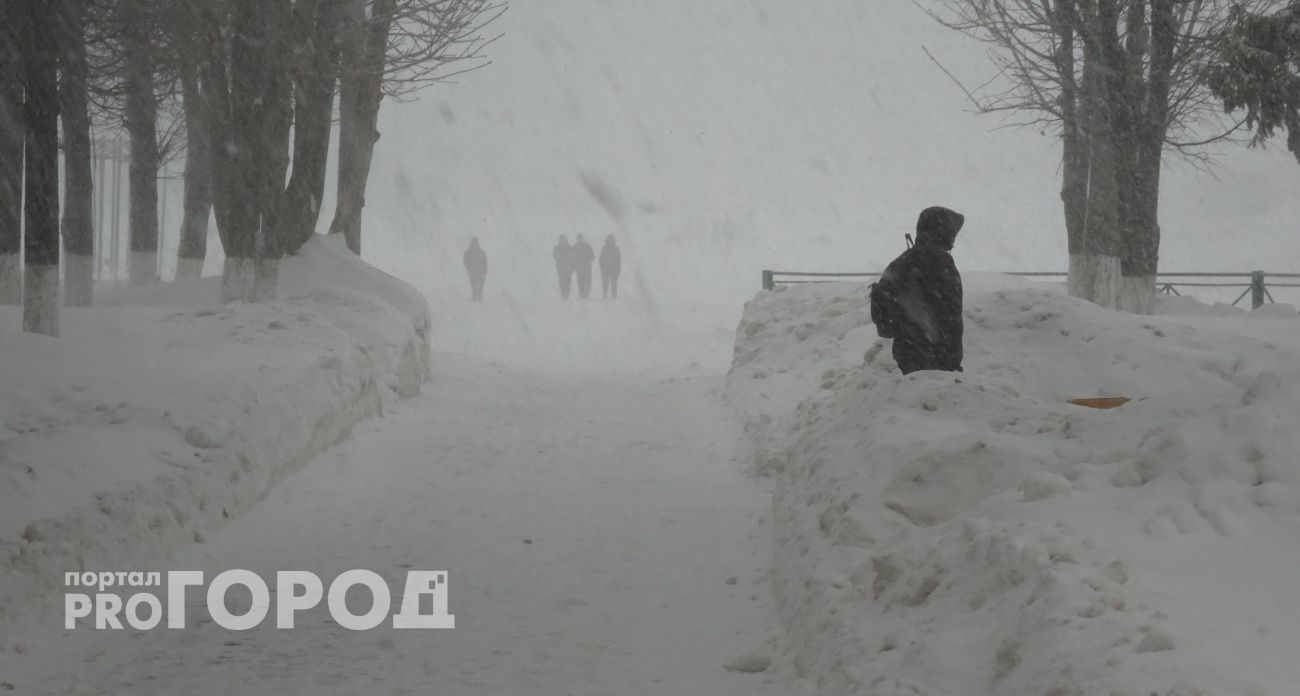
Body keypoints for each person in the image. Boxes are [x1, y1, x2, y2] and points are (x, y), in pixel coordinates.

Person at [869, 206, 965, 375]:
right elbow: (949, 315)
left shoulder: (902, 261)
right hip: (937, 358)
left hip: (907, 356)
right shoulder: (939, 262)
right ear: (943, 233)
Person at [572, 233, 596, 299]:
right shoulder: (575, 247)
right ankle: (581, 293)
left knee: (588, 280)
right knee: (580, 281)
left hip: (587, 267)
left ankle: (587, 293)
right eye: (578, 238)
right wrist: (574, 265)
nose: (580, 239)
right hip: (579, 268)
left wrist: (587, 260)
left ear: (583, 238)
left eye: (580, 238)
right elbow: (572, 257)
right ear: (577, 239)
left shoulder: (587, 246)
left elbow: (592, 256)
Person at [599, 234, 621, 299]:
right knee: (606, 282)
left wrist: (618, 268)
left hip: (613, 268)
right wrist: (601, 267)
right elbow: (601, 259)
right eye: (609, 238)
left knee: (613, 282)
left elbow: (618, 260)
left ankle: (614, 294)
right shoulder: (605, 248)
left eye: (611, 239)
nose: (610, 240)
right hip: (607, 268)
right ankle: (605, 294)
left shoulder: (616, 248)